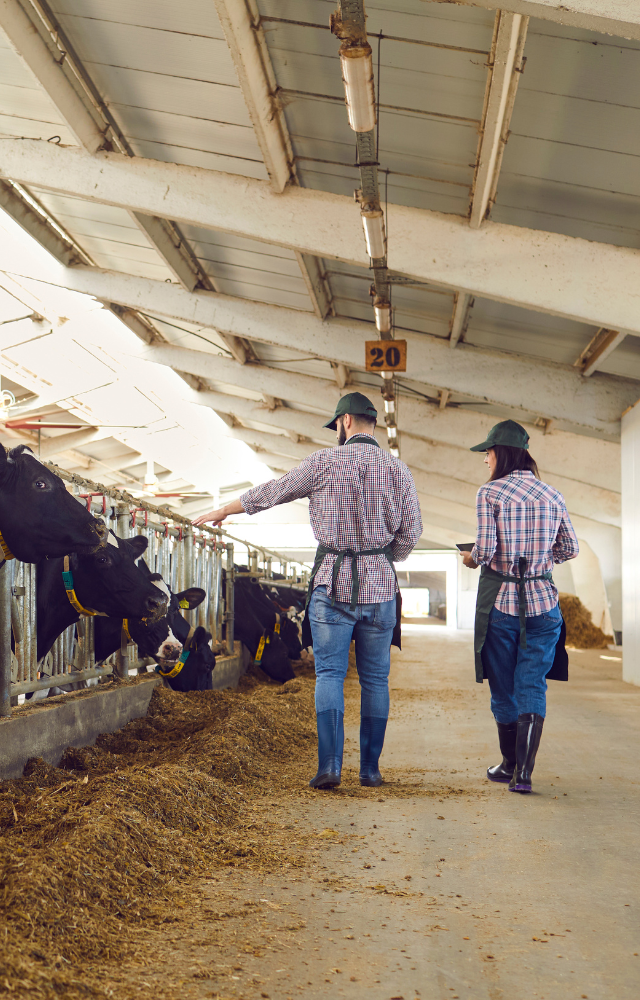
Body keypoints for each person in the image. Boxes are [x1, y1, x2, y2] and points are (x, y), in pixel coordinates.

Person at [193, 392, 422, 790]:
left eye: (335, 424)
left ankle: (330, 767)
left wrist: (222, 510)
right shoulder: (398, 470)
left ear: (345, 421)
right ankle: (370, 770)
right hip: (381, 587)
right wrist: (384, 558)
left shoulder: (323, 462)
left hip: (332, 583)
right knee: (376, 680)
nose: (335, 430)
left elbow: (273, 491)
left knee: (330, 674)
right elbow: (412, 532)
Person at [462, 419, 579, 794]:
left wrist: (470, 559)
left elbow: (486, 550)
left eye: (488, 452)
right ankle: (523, 775)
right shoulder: (553, 494)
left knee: (502, 684)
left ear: (503, 454)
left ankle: (509, 764)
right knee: (532, 684)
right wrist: (543, 558)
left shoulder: (490, 494)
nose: (485, 460)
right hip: (543, 604)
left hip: (502, 604)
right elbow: (570, 548)